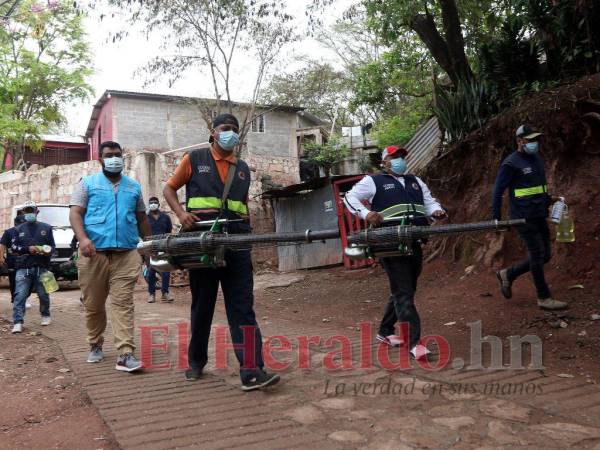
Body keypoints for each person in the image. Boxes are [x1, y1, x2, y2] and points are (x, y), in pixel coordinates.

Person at [163, 113, 279, 391]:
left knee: (242, 307)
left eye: (235, 130)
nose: (231, 134)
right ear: (213, 132)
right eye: (226, 129)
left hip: (237, 245)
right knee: (202, 306)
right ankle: (196, 361)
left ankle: (252, 370)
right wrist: (180, 213)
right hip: (203, 243)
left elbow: (240, 206)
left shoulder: (242, 168)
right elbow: (169, 188)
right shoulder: (194, 159)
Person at [344, 145, 447, 360]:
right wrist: (366, 213)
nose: (400, 159)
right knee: (403, 293)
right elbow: (349, 198)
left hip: (414, 241)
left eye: (402, 156)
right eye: (394, 157)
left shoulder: (415, 181)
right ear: (385, 162)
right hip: (389, 245)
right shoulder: (373, 181)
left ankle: (384, 331)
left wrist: (436, 211)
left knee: (404, 290)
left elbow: (429, 202)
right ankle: (414, 343)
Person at [69, 141, 152, 372]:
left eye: (118, 155)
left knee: (123, 303)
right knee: (94, 305)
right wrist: (83, 239)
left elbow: (142, 218)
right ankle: (95, 344)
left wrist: (148, 245)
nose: (114, 159)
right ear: (100, 159)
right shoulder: (86, 184)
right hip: (93, 254)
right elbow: (75, 213)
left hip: (126, 253)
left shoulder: (133, 187)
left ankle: (125, 354)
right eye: (109, 155)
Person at [492, 125, 567, 310]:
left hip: (539, 213)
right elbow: (498, 190)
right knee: (537, 254)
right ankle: (543, 297)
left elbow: (538, 188)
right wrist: (496, 217)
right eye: (530, 140)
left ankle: (508, 274)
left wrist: (551, 200)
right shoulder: (511, 163)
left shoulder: (536, 159)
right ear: (520, 141)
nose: (534, 143)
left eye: (536, 139)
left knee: (546, 255)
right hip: (523, 217)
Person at [8, 201, 55, 333]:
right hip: (23, 267)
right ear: (23, 212)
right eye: (27, 211)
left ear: (37, 212)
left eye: (31, 210)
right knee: (20, 295)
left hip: (42, 267)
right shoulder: (18, 229)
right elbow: (14, 248)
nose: (29, 213)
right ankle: (17, 321)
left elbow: (53, 247)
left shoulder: (47, 228)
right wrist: (27, 249)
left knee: (43, 294)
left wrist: (47, 250)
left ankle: (45, 314)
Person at [146, 196, 173, 303]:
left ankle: (165, 293)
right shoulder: (146, 217)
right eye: (151, 203)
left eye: (155, 202)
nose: (153, 204)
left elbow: (169, 231)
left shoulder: (165, 217)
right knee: (151, 271)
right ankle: (151, 294)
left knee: (165, 269)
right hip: (150, 246)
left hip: (163, 246)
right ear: (149, 205)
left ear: (158, 204)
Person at [0, 210, 26, 303]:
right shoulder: (8, 232)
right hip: (12, 261)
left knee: (24, 281)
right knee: (13, 281)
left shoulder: (26, 232)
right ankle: (15, 300)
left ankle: (21, 299)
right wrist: (1, 257)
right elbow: (2, 245)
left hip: (25, 260)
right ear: (16, 224)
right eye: (21, 224)